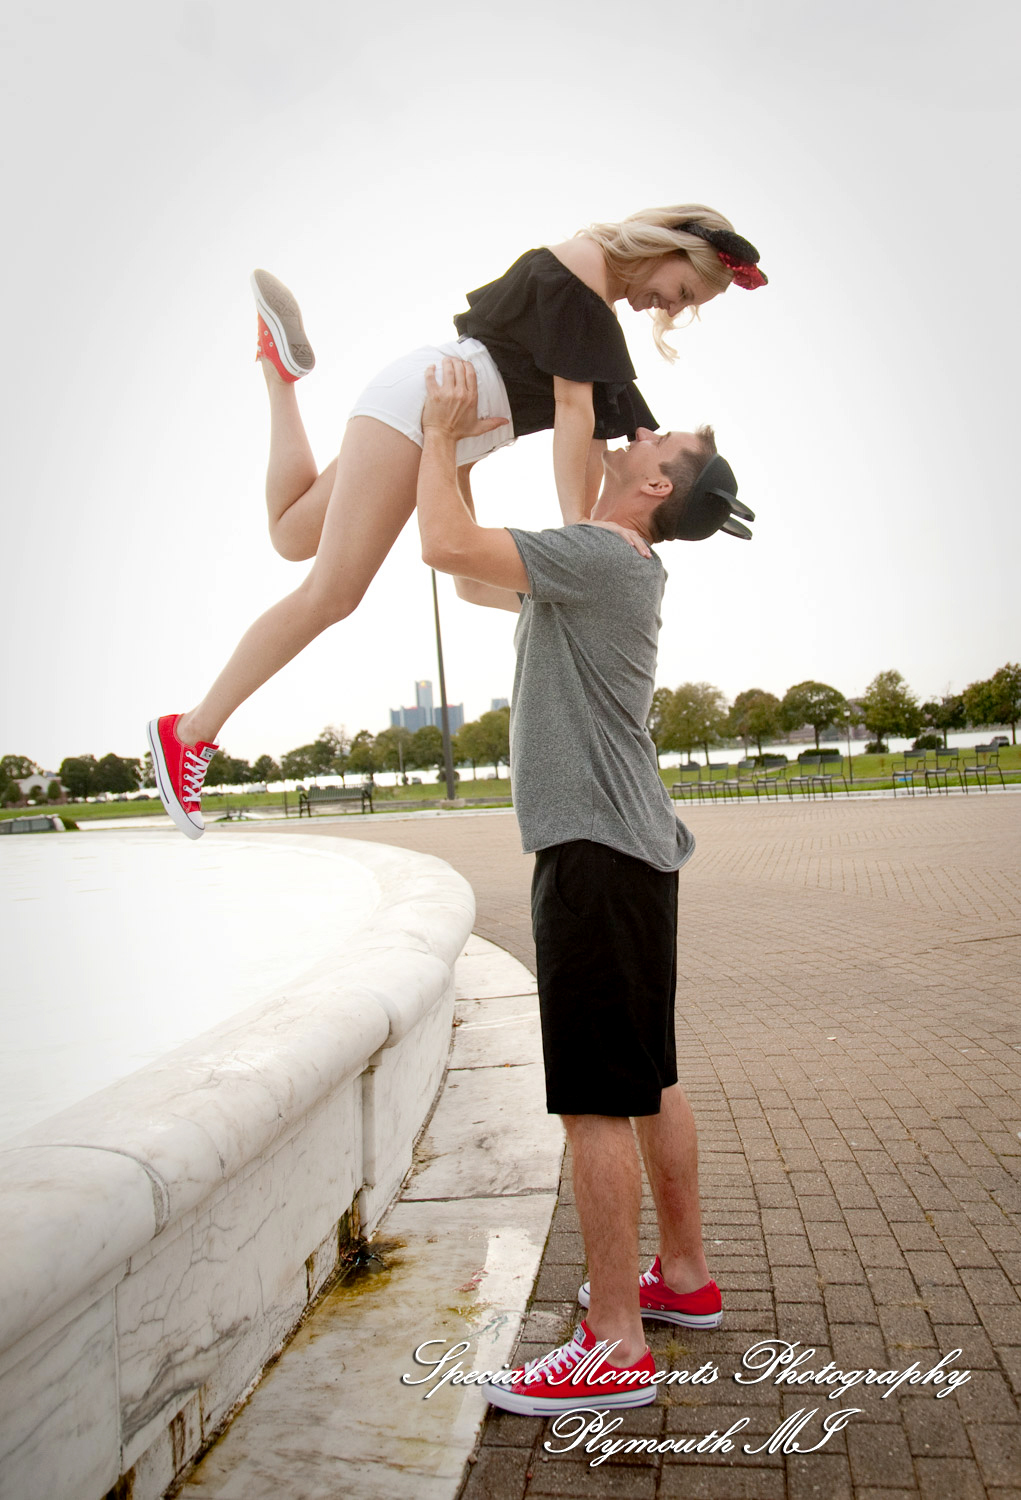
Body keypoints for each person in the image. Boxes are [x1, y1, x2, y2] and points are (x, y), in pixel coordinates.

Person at [147, 207, 766, 838]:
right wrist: (579, 531)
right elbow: (575, 417)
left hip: (436, 413)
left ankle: (279, 375)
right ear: (669, 248)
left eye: (685, 307)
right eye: (681, 291)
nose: (666, 307)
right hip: (429, 407)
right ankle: (189, 732)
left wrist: (698, 509)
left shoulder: (599, 322)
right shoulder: (586, 267)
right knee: (332, 593)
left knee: (292, 535)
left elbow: (614, 442)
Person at [413, 357, 754, 1415]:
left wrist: (434, 436)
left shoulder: (602, 556)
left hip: (596, 859)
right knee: (647, 1077)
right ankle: (681, 1281)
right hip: (631, 855)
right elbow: (470, 574)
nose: (637, 433)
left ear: (659, 486)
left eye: (660, 440)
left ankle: (613, 1343)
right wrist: (467, 460)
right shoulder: (593, 560)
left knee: (596, 1102)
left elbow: (437, 545)